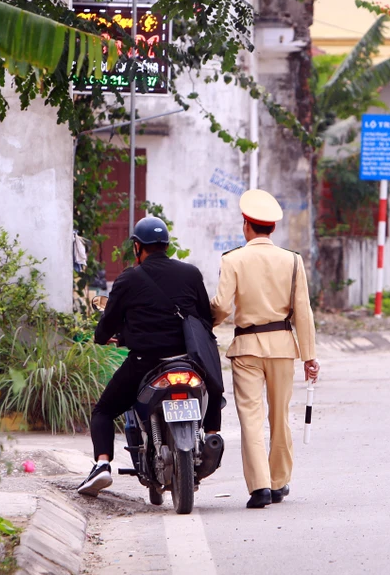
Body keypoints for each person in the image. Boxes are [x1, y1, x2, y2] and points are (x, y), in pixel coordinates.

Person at [78, 216, 221, 497]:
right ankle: (213, 435)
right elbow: (205, 318)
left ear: (136, 247)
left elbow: (107, 324)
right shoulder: (191, 274)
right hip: (188, 361)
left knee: (103, 411)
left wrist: (107, 336)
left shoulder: (128, 279)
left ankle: (102, 465)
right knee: (214, 385)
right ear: (166, 245)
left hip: (146, 363)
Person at [210, 189, 320, 509]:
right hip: (284, 347)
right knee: (280, 417)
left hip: (246, 347)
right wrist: (309, 356)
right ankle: (278, 482)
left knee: (250, 417)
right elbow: (303, 312)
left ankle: (259, 488)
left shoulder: (232, 259)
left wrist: (208, 323)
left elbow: (221, 305)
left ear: (246, 225)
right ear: (272, 228)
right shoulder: (293, 261)